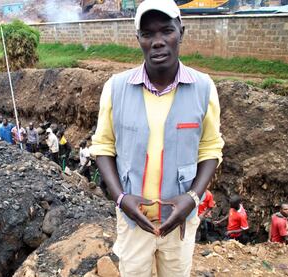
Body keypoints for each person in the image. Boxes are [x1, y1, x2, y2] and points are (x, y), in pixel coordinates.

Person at [90, 0, 225, 275]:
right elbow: (103, 147)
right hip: (132, 222)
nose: (158, 41)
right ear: (138, 39)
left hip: (181, 224)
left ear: (181, 32)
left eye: (166, 31)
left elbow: (211, 148)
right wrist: (121, 199)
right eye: (148, 34)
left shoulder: (203, 88)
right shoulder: (115, 88)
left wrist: (192, 197)